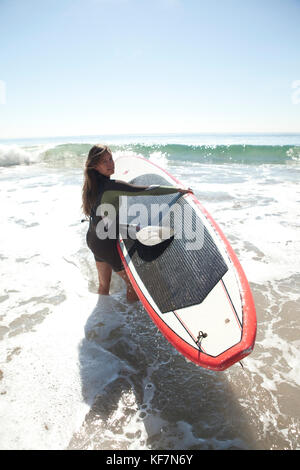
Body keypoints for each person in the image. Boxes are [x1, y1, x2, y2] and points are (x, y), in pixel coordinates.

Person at [82, 144, 192, 301]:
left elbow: (103, 220)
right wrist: (177, 189)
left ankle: (102, 319)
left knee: (103, 285)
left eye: (110, 159)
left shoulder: (92, 187)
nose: (110, 164)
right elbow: (148, 190)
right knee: (133, 286)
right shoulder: (112, 186)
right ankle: (129, 322)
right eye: (104, 161)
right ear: (94, 166)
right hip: (106, 245)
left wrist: (129, 229)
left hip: (93, 240)